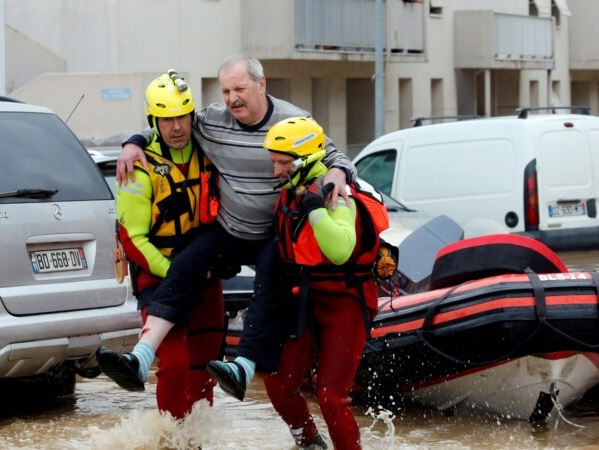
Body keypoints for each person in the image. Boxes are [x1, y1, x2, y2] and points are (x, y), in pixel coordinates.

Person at [98, 55, 356, 399]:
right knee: (187, 264)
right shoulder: (211, 121)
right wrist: (133, 142)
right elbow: (171, 124)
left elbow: (335, 155)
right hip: (230, 229)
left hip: (271, 232)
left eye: (240, 88)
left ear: (261, 84)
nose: (232, 98)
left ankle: (244, 366)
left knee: (267, 286)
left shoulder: (295, 120)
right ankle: (141, 357)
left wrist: (339, 172)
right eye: (225, 91)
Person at [96, 72, 224, 420]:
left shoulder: (209, 150)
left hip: (206, 272)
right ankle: (171, 439)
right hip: (160, 274)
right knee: (176, 365)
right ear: (154, 120)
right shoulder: (137, 166)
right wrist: (177, 274)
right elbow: (133, 240)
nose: (177, 126)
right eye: (167, 118)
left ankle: (197, 441)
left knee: (206, 367)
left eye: (183, 116)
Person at [256, 116, 384, 450]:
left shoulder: (336, 194)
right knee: (278, 382)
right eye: (274, 162)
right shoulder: (291, 192)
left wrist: (315, 210)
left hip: (345, 303)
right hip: (305, 301)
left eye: (282, 163)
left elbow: (340, 250)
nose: (275, 171)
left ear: (305, 159)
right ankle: (310, 441)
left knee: (330, 395)